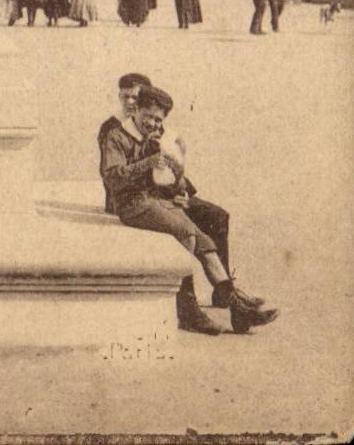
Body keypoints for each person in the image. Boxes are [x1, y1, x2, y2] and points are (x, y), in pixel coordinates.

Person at [100, 84, 277, 336]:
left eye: (158, 119)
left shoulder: (158, 136)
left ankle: (238, 309)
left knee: (204, 240)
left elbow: (172, 179)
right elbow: (112, 178)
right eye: (147, 116)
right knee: (186, 231)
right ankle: (189, 311)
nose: (152, 123)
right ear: (135, 110)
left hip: (157, 200)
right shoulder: (117, 136)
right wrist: (147, 162)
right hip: (132, 205)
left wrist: (178, 174)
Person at [97, 73, 152, 201]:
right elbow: (110, 173)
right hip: (121, 199)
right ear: (119, 96)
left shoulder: (152, 125)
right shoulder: (110, 127)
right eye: (125, 96)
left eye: (135, 97)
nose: (129, 102)